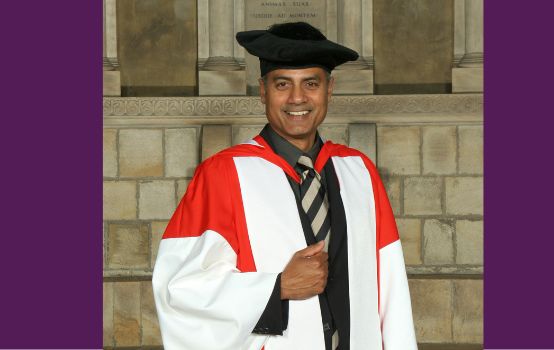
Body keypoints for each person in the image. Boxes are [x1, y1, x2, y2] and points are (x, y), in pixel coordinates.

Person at [153, 22, 416, 350]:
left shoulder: (358, 172)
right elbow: (178, 291)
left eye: (310, 83)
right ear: (263, 91)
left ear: (329, 90)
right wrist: (276, 288)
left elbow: (390, 289)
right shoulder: (223, 175)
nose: (297, 98)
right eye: (282, 84)